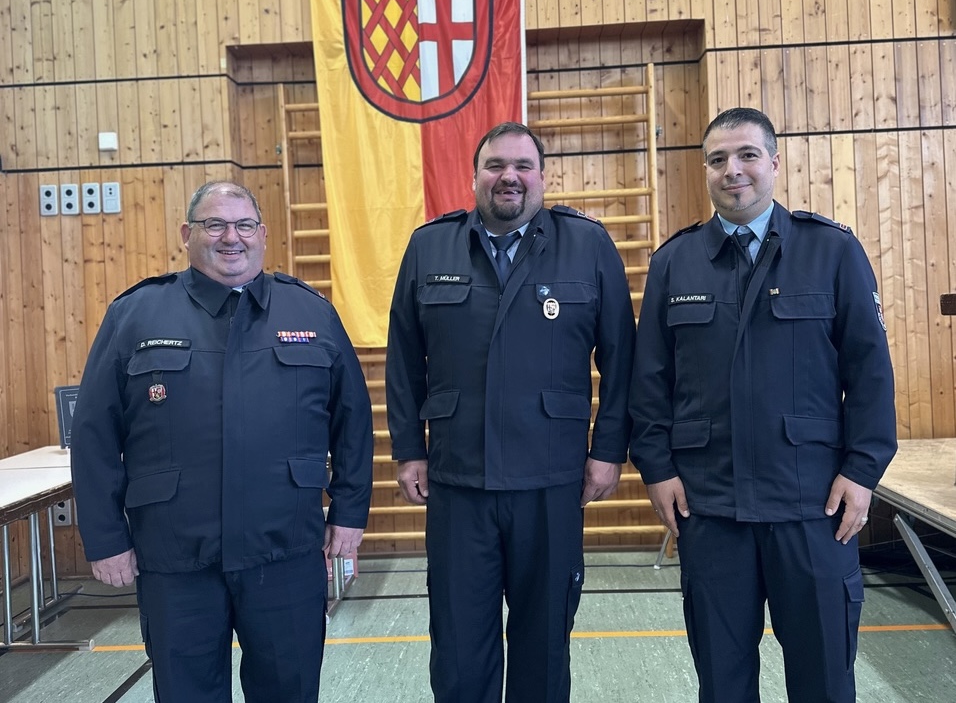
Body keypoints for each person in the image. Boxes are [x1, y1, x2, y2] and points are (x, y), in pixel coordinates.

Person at [629, 107, 897, 702]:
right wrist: (658, 468)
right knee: (722, 683)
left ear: (774, 163)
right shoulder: (675, 262)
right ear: (705, 171)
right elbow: (649, 382)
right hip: (710, 507)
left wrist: (863, 470)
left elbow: (870, 371)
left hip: (812, 504)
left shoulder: (831, 251)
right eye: (718, 159)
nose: (734, 171)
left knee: (824, 677)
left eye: (748, 155)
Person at [70, 180, 374, 702]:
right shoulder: (136, 315)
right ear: (188, 235)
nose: (230, 237)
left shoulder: (310, 314)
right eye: (215, 225)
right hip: (176, 557)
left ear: (262, 234)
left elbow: (353, 421)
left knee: (289, 689)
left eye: (243, 225)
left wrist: (349, 512)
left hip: (284, 552)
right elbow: (94, 433)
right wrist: (105, 538)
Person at [385, 122, 636, 702]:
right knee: (457, 644)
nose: (509, 177)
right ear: (474, 177)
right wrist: (407, 448)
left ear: (542, 177)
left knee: (545, 642)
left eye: (523, 166)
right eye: (495, 165)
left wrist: (607, 452)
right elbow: (403, 357)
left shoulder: (588, 244)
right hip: (458, 479)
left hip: (551, 479)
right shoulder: (430, 246)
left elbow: (623, 359)